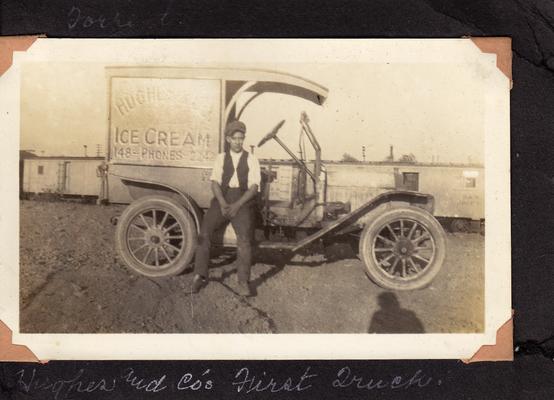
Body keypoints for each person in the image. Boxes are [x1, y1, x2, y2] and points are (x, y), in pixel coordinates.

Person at [191, 120, 261, 296]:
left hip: (243, 201)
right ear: (228, 139)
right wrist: (222, 204)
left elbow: (253, 188)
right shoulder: (221, 158)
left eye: (241, 138)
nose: (238, 142)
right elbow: (214, 183)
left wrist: (237, 205)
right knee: (204, 234)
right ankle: (199, 275)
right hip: (222, 199)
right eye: (235, 138)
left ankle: (243, 281)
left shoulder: (252, 159)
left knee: (244, 239)